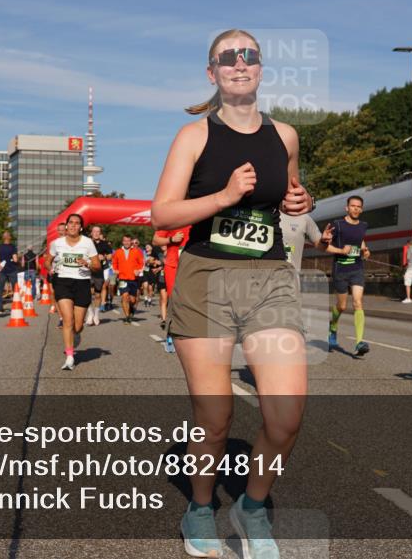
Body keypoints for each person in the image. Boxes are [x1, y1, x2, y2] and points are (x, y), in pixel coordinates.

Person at [151, 29, 314, 559]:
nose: (239, 64)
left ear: (261, 68)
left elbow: (289, 194)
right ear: (212, 72)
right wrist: (223, 196)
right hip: (206, 279)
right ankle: (200, 507)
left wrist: (299, 202)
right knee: (215, 417)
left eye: (249, 56)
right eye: (228, 58)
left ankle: (252, 504)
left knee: (285, 416)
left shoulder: (285, 135)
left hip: (269, 278)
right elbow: (162, 214)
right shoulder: (194, 136)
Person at [45, 214, 100, 371]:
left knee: (78, 326)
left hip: (82, 283)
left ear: (81, 227)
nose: (73, 225)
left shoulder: (87, 243)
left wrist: (87, 264)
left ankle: (74, 334)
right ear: (67, 225)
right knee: (67, 320)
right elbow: (47, 261)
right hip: (62, 282)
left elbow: (97, 266)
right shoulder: (57, 243)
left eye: (77, 223)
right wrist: (50, 268)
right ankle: (70, 356)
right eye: (71, 223)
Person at [319, 196, 371, 356]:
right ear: (346, 208)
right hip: (340, 270)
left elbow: (360, 241)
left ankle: (359, 342)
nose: (355, 208)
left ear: (361, 209)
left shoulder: (363, 226)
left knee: (357, 302)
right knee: (342, 306)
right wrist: (341, 251)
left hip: (357, 269)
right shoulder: (338, 225)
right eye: (353, 206)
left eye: (358, 206)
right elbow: (325, 247)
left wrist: (365, 250)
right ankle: (333, 327)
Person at [152, 226, 190, 353]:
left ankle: (188, 335)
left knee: (189, 302)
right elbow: (155, 240)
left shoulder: (199, 219)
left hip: (192, 266)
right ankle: (170, 334)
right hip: (173, 265)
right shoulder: (173, 220)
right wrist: (171, 239)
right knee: (174, 300)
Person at [111, 234, 144, 324]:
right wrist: (115, 270)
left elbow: (142, 263)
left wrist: (139, 270)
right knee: (124, 296)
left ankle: (132, 308)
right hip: (122, 278)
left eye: (128, 241)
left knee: (133, 300)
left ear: (131, 242)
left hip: (133, 278)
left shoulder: (137, 251)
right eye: (125, 241)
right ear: (122, 242)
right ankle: (127, 317)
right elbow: (114, 263)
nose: (126, 242)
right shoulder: (118, 252)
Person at [88, 225, 114, 320]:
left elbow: (110, 255)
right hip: (88, 270)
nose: (96, 233)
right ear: (91, 233)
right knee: (88, 293)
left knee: (98, 294)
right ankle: (90, 313)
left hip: (99, 271)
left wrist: (105, 257)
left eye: (98, 231)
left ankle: (96, 314)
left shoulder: (105, 244)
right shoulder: (87, 243)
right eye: (94, 231)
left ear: (100, 233)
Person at [0, 231, 17, 313]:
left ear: (3, 238)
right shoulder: (13, 247)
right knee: (15, 289)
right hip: (12, 270)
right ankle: (16, 306)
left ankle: (0, 308)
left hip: (3, 271)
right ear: (9, 237)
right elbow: (15, 259)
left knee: (0, 289)